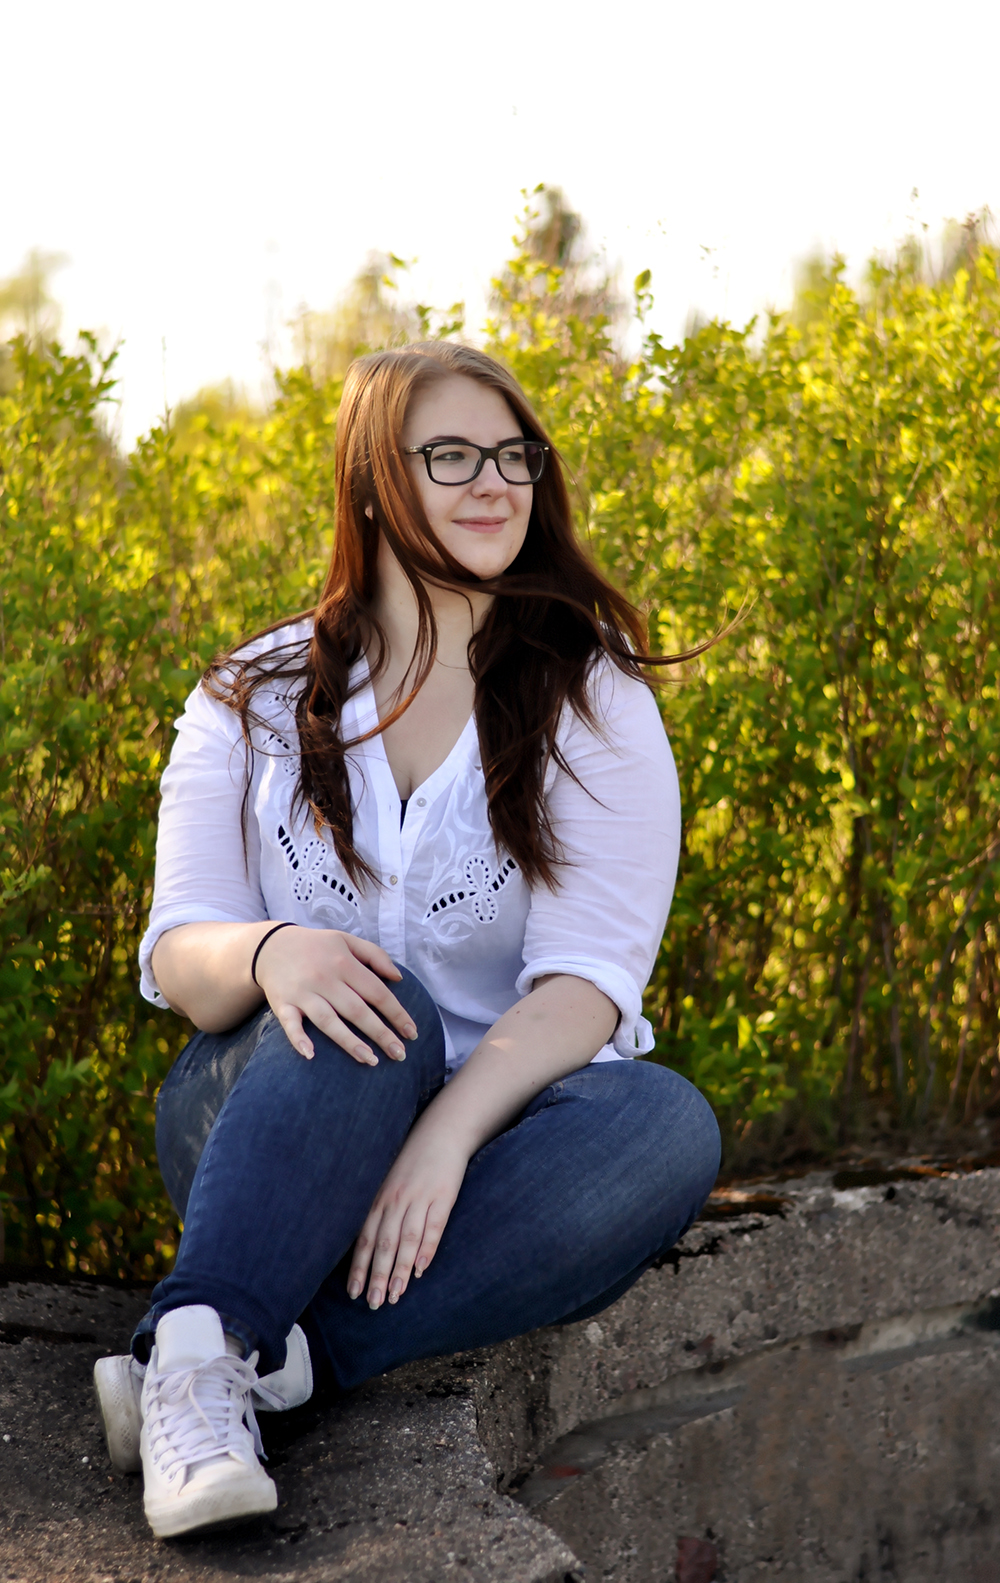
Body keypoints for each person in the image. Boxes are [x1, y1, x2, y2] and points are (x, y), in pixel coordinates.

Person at [94, 342, 721, 1539]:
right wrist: (273, 953)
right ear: (374, 481)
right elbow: (180, 951)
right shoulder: (251, 694)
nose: (495, 482)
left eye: (515, 456)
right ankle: (212, 1343)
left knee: (664, 1124)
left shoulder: (593, 698)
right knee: (372, 1003)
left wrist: (445, 1134)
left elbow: (587, 984)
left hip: (487, 1165)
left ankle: (231, 1359)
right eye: (452, 455)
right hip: (274, 1119)